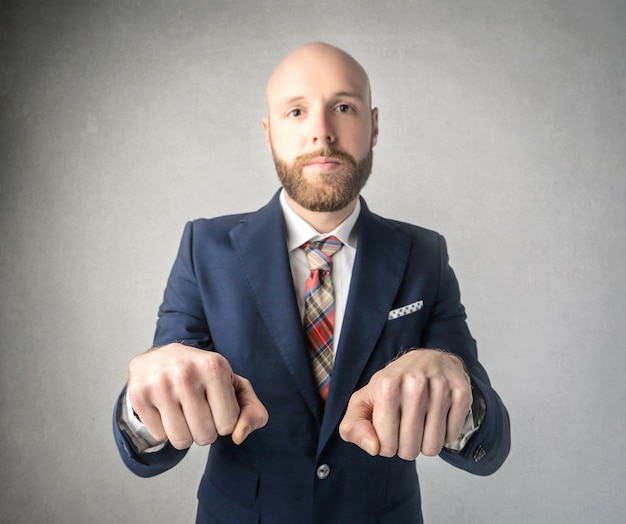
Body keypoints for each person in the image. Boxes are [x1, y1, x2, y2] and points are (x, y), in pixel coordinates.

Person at [113, 42, 510, 523]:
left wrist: (454, 386)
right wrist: (147, 401)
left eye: (343, 107)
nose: (322, 133)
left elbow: (489, 444)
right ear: (268, 133)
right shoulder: (204, 248)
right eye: (296, 111)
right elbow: (153, 444)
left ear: (375, 125)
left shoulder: (425, 255)